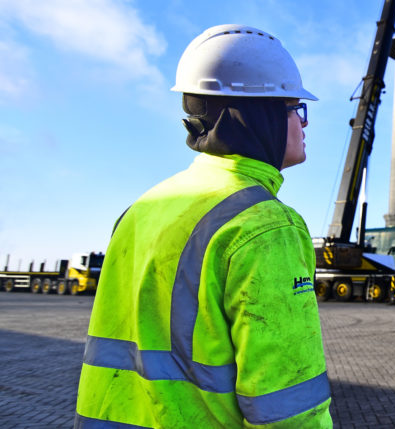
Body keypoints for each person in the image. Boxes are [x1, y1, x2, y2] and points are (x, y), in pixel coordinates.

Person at [75, 24, 332, 428]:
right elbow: (288, 408)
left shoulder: (140, 210)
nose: (304, 124)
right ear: (259, 115)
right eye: (295, 109)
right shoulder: (264, 224)